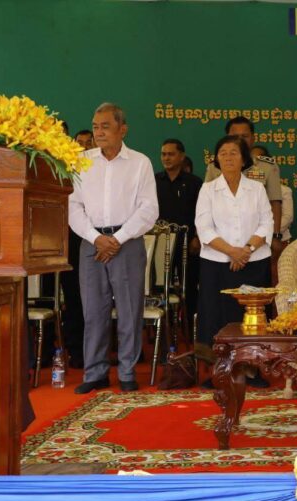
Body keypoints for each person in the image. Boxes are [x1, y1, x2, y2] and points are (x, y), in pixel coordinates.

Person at [68, 103, 158, 393]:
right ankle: (95, 372)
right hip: (91, 243)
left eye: (105, 126)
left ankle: (127, 372)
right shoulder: (81, 161)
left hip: (127, 243)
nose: (98, 132)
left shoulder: (140, 163)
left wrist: (118, 239)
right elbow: (73, 206)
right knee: (94, 311)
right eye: (95, 126)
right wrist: (96, 238)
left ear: (123, 129)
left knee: (129, 309)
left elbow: (149, 209)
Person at [195, 135, 273, 371]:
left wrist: (246, 251)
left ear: (244, 159)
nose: (228, 157)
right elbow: (204, 228)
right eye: (223, 153)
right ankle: (217, 371)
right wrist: (232, 252)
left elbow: (267, 223)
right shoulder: (208, 189)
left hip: (254, 263)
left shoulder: (257, 188)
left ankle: (252, 369)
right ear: (216, 160)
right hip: (217, 264)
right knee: (214, 316)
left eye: (233, 153)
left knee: (251, 319)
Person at [205, 117, 284, 264]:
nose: (240, 140)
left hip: (257, 242)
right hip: (222, 243)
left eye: (245, 136)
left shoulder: (267, 167)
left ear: (253, 138)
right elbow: (206, 207)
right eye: (235, 136)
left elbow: (275, 202)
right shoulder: (214, 166)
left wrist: (276, 235)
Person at [155, 138, 203, 331]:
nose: (166, 158)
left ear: (181, 157)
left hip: (188, 244)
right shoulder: (154, 181)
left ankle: (191, 331)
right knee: (159, 287)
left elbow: (202, 213)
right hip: (160, 245)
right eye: (163, 154)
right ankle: (162, 329)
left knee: (189, 287)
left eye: (171, 154)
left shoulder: (194, 183)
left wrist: (197, 237)